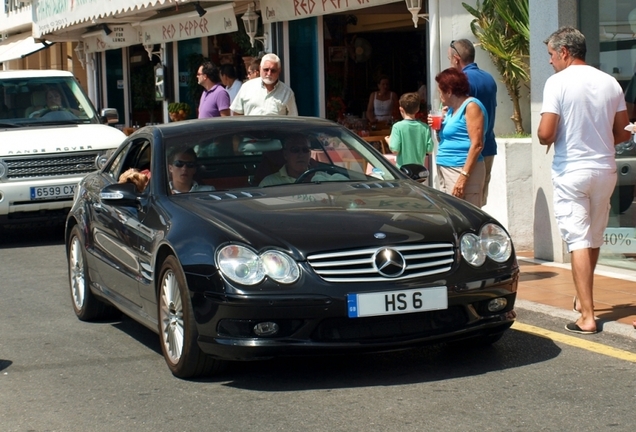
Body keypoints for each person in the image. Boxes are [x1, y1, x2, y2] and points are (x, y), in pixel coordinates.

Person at [537, 26, 631, 335]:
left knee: (578, 239)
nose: (550, 61)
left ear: (564, 52)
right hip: (604, 170)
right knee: (592, 238)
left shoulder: (557, 83)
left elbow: (545, 134)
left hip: (572, 171)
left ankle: (588, 316)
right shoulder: (610, 82)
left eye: (551, 54)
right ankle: (581, 299)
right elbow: (621, 132)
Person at [449, 39, 498, 206]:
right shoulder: (489, 78)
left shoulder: (463, 81)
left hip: (468, 152)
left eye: (450, 59)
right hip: (488, 146)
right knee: (479, 202)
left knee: (463, 205)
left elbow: (460, 113)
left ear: (456, 58)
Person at [430, 68, 488, 207]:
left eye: (440, 92)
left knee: (466, 215)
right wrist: (438, 128)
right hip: (447, 167)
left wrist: (463, 177)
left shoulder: (471, 106)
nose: (440, 96)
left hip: (460, 168)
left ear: (449, 91)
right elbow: (447, 140)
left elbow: (477, 144)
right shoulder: (449, 110)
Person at [259, 134, 346, 186]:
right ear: (285, 155)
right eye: (295, 150)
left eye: (305, 150)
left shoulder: (322, 177)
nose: (301, 155)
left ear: (310, 154)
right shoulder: (270, 183)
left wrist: (314, 179)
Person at [230, 53, 298, 116]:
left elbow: (293, 119)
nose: (269, 74)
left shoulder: (287, 93)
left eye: (273, 70)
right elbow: (237, 114)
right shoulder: (246, 87)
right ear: (260, 69)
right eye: (266, 69)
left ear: (279, 71)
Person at [384, 92, 433, 168]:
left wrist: (389, 140)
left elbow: (395, 149)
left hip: (403, 171)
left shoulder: (397, 127)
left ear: (401, 109)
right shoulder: (424, 127)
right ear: (418, 109)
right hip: (419, 171)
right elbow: (429, 150)